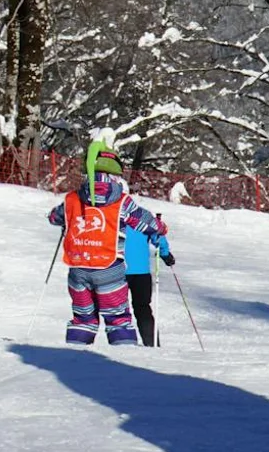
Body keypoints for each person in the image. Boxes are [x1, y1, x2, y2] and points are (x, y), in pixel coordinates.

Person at [47, 142, 167, 346]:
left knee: (83, 317)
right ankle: (123, 359)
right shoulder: (121, 201)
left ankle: (75, 355)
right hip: (109, 269)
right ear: (116, 175)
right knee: (117, 318)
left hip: (78, 269)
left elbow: (54, 217)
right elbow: (144, 221)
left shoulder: (72, 199)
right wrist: (160, 227)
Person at [120, 195, 175, 347]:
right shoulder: (144, 219)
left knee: (118, 309)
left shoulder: (113, 216)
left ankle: (122, 342)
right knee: (143, 307)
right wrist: (165, 254)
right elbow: (158, 237)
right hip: (140, 272)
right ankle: (151, 344)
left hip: (117, 269)